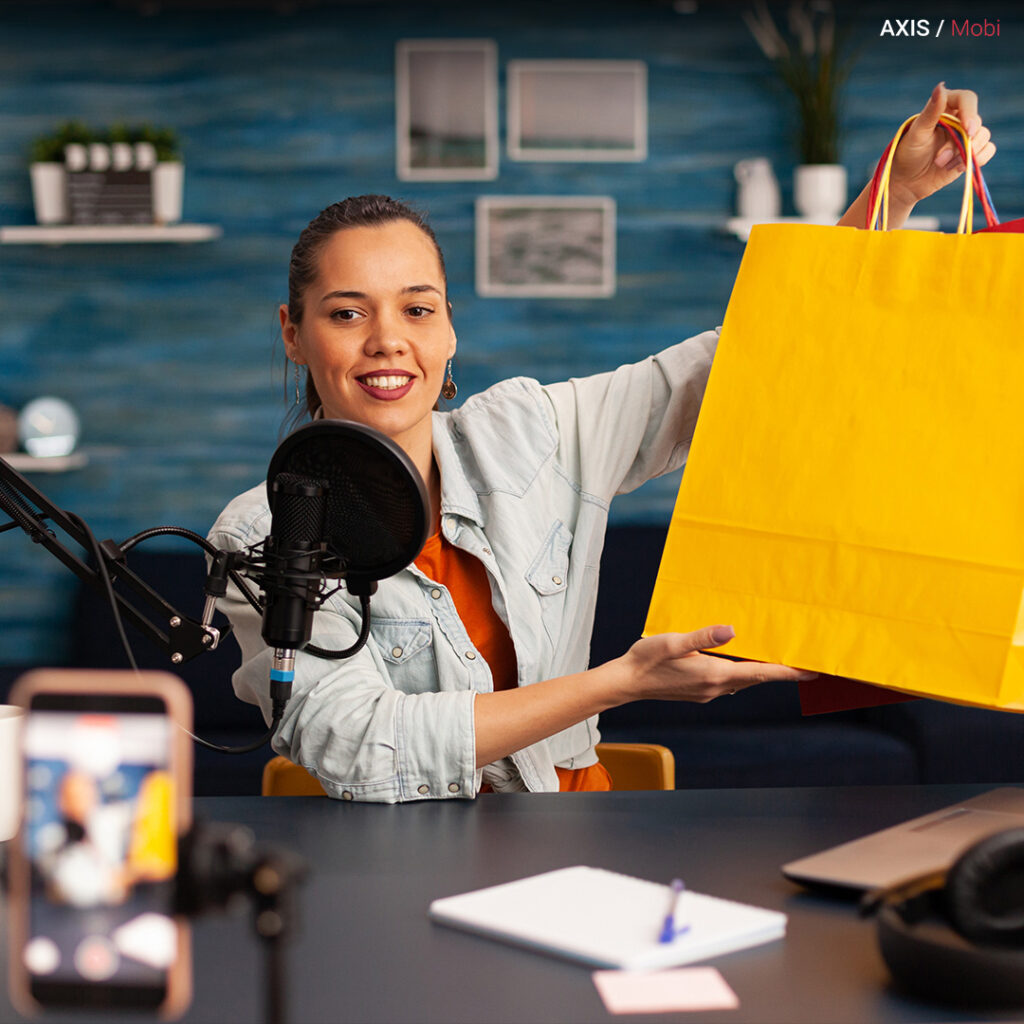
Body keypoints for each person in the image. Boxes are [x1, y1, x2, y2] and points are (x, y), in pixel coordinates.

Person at [209, 84, 994, 801]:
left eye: (417, 310)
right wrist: (621, 683)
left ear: (450, 327)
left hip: (578, 832)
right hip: (392, 862)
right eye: (347, 314)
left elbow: (744, 363)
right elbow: (358, 746)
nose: (389, 341)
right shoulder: (261, 534)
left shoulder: (530, 433)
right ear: (293, 334)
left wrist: (897, 192)